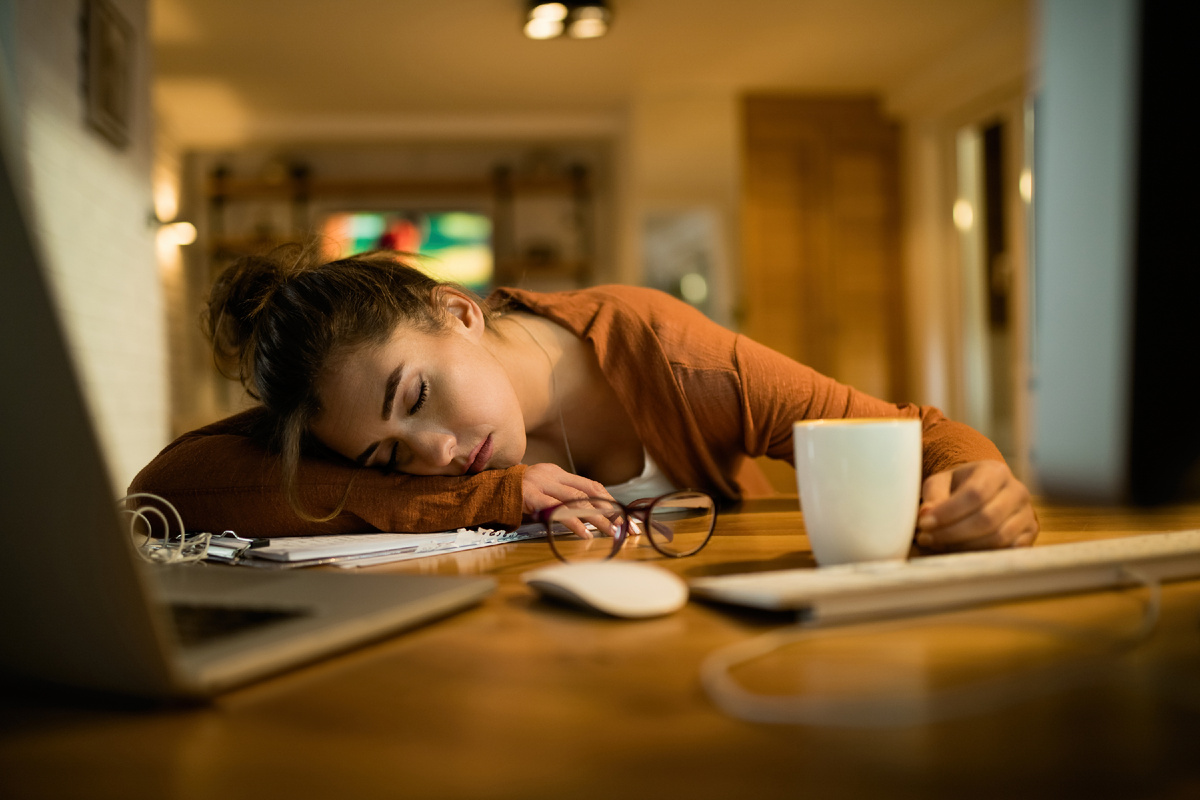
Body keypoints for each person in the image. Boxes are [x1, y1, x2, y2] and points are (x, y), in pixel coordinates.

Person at [130, 243, 1039, 550]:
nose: (434, 453)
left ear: (458, 314)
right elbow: (164, 495)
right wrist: (485, 496)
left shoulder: (667, 352)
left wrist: (982, 483)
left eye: (417, 399)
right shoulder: (368, 420)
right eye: (388, 456)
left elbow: (917, 434)